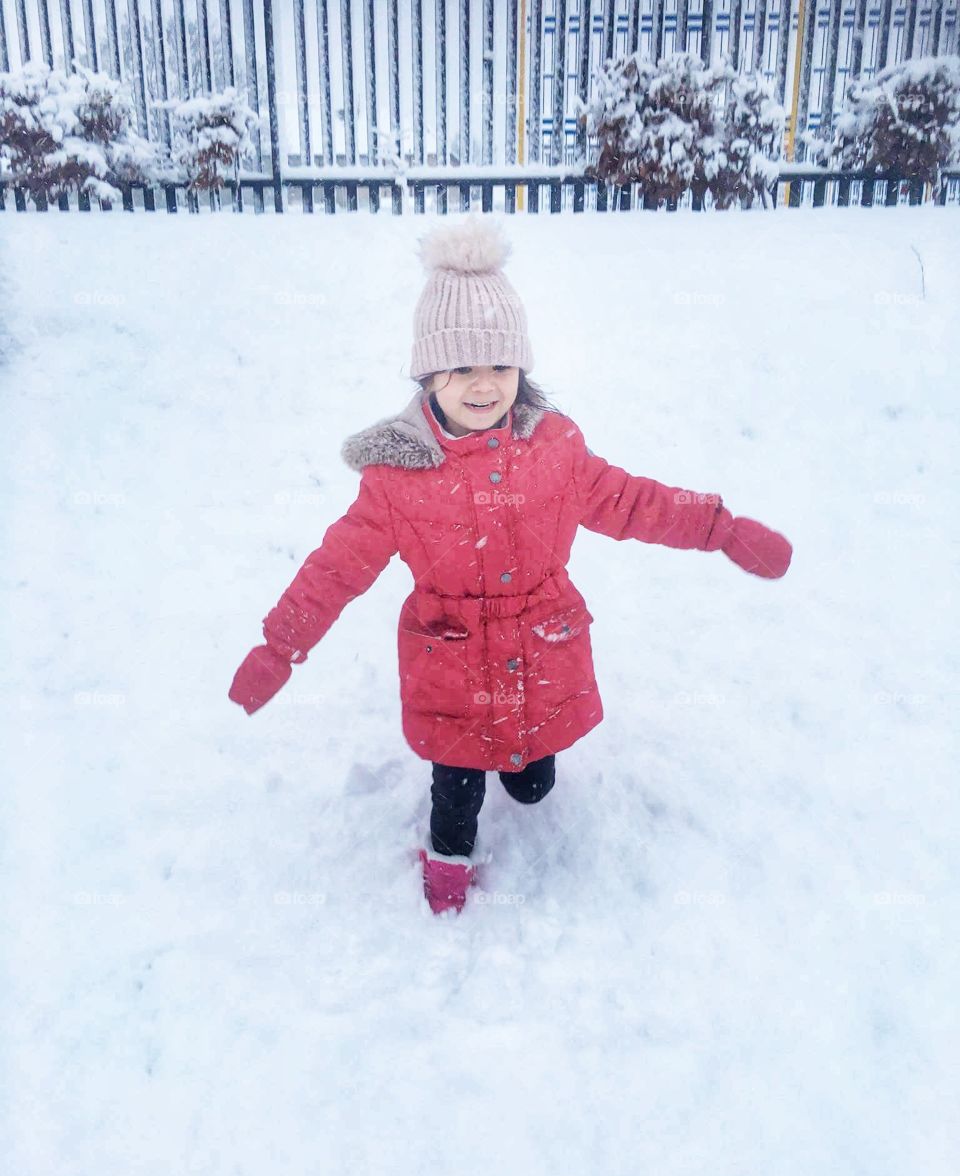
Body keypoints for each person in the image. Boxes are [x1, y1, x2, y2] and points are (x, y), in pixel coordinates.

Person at [229, 216, 793, 915]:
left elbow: (632, 501)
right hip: (453, 663)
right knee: (458, 781)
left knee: (532, 784)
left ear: (520, 369)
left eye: (498, 365)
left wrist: (721, 527)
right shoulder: (397, 478)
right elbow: (334, 569)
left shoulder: (554, 450)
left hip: (540, 652)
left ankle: (524, 772)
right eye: (461, 367)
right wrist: (279, 648)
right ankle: (446, 865)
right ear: (428, 374)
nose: (483, 384)